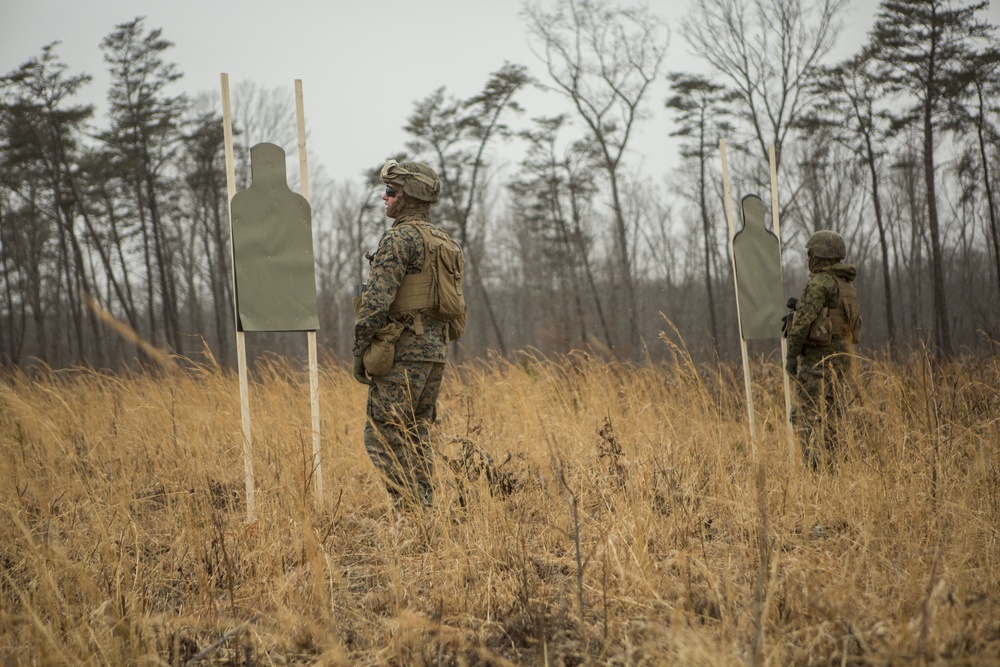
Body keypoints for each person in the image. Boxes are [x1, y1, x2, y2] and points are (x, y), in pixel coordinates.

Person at [352, 159, 452, 509]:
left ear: (408, 197)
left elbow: (376, 301)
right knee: (416, 432)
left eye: (391, 192)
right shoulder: (443, 240)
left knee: (383, 432)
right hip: (435, 355)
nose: (385, 198)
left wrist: (360, 351)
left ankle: (410, 511)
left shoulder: (399, 238)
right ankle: (424, 510)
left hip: (403, 353)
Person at [784, 230, 862, 468]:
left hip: (817, 365)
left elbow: (802, 325)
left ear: (821, 255)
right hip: (840, 364)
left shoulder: (819, 284)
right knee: (833, 419)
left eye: (810, 254)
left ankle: (813, 468)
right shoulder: (846, 285)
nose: (808, 259)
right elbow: (834, 319)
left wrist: (791, 357)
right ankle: (834, 468)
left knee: (803, 417)